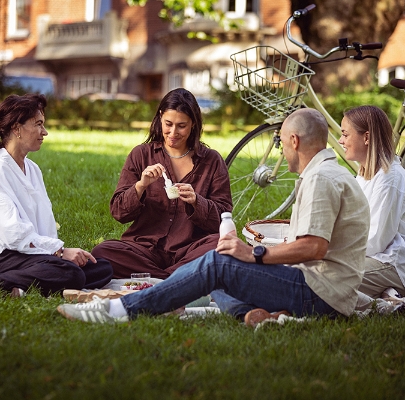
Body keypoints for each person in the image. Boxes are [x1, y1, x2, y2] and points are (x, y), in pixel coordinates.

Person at [57, 108, 371, 325]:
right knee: (221, 266)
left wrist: (254, 254)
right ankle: (255, 316)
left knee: (217, 263)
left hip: (321, 296)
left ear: (294, 141)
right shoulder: (327, 174)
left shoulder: (321, 179)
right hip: (322, 290)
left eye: (282, 145)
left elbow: (313, 247)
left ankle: (121, 310)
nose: (281, 154)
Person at [0, 93, 113, 300]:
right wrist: (59, 253)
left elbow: (44, 226)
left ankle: (24, 286)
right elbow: (12, 235)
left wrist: (58, 255)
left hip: (27, 255)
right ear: (16, 128)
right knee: (72, 273)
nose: (45, 132)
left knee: (102, 268)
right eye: (38, 124)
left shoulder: (32, 169)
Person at [91, 88, 232, 279]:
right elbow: (119, 212)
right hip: (144, 249)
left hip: (189, 250)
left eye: (181, 126)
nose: (173, 133)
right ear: (160, 118)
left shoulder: (212, 161)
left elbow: (224, 218)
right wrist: (140, 186)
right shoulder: (141, 155)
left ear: (193, 124)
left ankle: (158, 281)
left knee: (222, 244)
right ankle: (176, 280)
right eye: (168, 124)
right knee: (102, 252)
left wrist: (196, 201)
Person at [338, 105, 405, 309]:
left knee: (327, 280)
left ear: (367, 137)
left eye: (345, 134)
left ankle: (386, 301)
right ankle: (386, 295)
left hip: (394, 266)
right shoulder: (365, 174)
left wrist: (333, 251)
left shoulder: (390, 180)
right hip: (373, 258)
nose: (340, 140)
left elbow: (375, 241)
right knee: (318, 271)